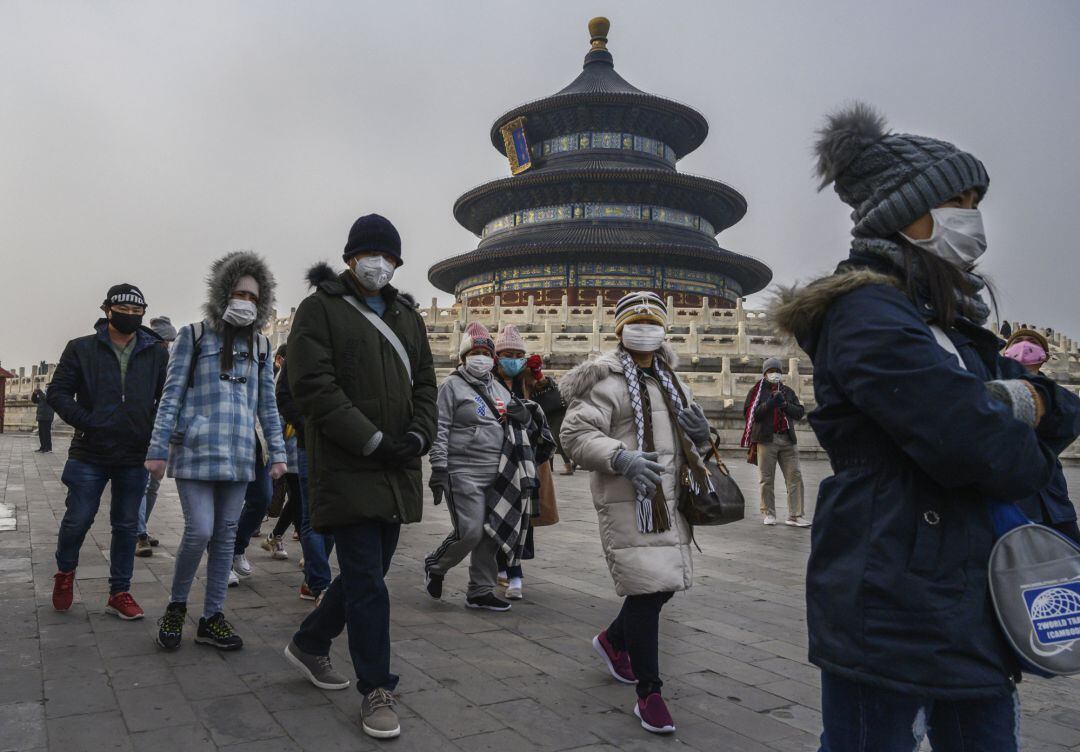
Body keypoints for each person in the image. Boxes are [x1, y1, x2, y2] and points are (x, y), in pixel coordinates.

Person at [772, 103, 1080, 751]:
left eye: (975, 200)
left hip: (973, 596)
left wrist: (1017, 406)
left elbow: (1061, 409)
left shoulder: (954, 322)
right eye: (957, 200)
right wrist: (1019, 414)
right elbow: (974, 444)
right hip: (888, 595)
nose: (972, 217)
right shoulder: (860, 311)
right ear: (901, 209)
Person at [282, 214, 437, 740]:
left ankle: (309, 642)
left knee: (369, 573)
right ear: (351, 258)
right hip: (349, 464)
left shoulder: (407, 316)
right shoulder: (319, 309)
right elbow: (312, 386)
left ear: (397, 262)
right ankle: (376, 688)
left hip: (397, 465)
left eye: (389, 257)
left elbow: (426, 386)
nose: (379, 264)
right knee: (368, 581)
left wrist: (418, 435)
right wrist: (370, 438)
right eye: (370, 255)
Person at [560, 291, 712, 736]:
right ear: (620, 328)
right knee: (648, 589)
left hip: (669, 499)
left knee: (662, 586)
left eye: (652, 320)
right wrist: (620, 456)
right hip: (630, 498)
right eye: (636, 319)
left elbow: (689, 439)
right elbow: (575, 434)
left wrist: (703, 436)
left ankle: (613, 640)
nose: (645, 327)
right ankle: (650, 692)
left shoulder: (672, 380)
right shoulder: (605, 381)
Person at [146, 252, 287, 651]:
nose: (246, 302)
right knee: (199, 531)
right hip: (195, 449)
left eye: (254, 297)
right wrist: (157, 450)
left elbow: (267, 405)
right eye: (240, 292)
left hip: (239, 453)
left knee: (225, 536)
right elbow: (170, 396)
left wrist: (278, 453)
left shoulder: (260, 344)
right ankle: (176, 607)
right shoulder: (193, 336)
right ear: (223, 293)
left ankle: (212, 616)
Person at [46, 283, 169, 619]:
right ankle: (66, 573)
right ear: (106, 310)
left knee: (127, 525)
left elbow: (167, 397)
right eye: (123, 310)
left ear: (143, 312)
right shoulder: (81, 349)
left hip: (134, 452)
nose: (129, 315)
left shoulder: (156, 351)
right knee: (78, 518)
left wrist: (150, 426)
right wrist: (88, 421)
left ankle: (120, 592)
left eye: (136, 311)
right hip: (90, 451)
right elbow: (57, 392)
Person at [424, 322, 551, 611]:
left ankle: (480, 590)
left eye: (485, 352)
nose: (480, 357)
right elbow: (440, 428)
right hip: (462, 470)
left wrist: (524, 416)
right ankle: (436, 564)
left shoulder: (499, 388)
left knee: (492, 530)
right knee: (469, 531)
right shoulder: (451, 386)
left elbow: (521, 424)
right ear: (464, 356)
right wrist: (439, 468)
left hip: (498, 471)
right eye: (475, 352)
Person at [491, 324, 556, 600]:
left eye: (518, 354)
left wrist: (540, 376)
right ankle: (499, 566)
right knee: (498, 512)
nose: (513, 358)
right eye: (507, 353)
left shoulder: (529, 380)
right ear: (496, 356)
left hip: (528, 460)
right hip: (497, 458)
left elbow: (553, 404)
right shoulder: (487, 380)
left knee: (524, 516)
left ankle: (515, 570)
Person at [1003, 330, 1079, 542]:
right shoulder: (993, 391)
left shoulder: (1060, 398)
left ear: (1044, 356)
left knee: (1071, 560)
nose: (1024, 346)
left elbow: (1070, 422)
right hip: (1010, 500)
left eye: (1032, 342)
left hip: (1053, 502)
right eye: (1018, 341)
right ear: (1006, 351)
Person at [275, 344, 334, 601]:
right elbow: (283, 393)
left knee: (333, 515)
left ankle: (312, 580)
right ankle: (321, 582)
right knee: (311, 515)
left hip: (342, 443)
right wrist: (303, 424)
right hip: (308, 442)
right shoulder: (302, 346)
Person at [741, 357, 809, 527]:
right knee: (766, 478)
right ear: (764, 374)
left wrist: (784, 404)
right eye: (771, 371)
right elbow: (753, 414)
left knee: (795, 477)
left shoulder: (787, 391)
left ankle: (795, 515)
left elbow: (799, 413)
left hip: (787, 439)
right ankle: (769, 513)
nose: (775, 374)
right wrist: (770, 403)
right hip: (766, 439)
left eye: (777, 371)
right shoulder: (757, 392)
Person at [136, 315, 177, 557]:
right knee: (142, 484)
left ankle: (142, 528)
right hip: (142, 429)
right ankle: (139, 533)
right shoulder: (143, 360)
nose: (167, 346)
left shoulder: (171, 362)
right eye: (165, 342)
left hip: (161, 431)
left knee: (153, 486)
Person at [32, 387, 54, 453]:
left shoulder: (51, 395)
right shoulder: (42, 396)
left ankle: (48, 448)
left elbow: (45, 399)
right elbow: (34, 400)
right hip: (41, 417)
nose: (46, 388)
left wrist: (40, 392)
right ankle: (43, 447)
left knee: (46, 433)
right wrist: (34, 394)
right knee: (41, 433)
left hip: (47, 417)